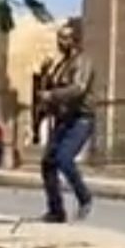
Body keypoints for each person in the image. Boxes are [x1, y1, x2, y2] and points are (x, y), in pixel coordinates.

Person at [38, 19, 95, 223]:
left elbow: (78, 89)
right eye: (58, 38)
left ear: (74, 40)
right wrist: (45, 73)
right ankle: (56, 210)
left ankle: (84, 197)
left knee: (64, 158)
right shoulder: (61, 65)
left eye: (63, 38)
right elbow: (48, 87)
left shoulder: (83, 62)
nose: (59, 42)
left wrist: (52, 96)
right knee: (48, 163)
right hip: (63, 119)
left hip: (81, 119)